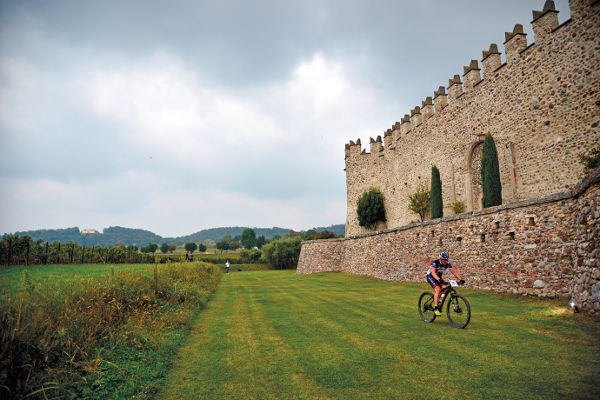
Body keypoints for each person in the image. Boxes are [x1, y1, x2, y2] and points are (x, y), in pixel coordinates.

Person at [427, 251, 465, 316]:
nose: (446, 261)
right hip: (431, 277)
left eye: (447, 259)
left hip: (438, 278)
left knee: (445, 289)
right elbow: (433, 273)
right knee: (438, 289)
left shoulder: (447, 264)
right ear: (441, 259)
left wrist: (460, 279)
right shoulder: (435, 263)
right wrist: (438, 279)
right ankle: (436, 308)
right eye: (445, 260)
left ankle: (438, 301)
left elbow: (454, 272)